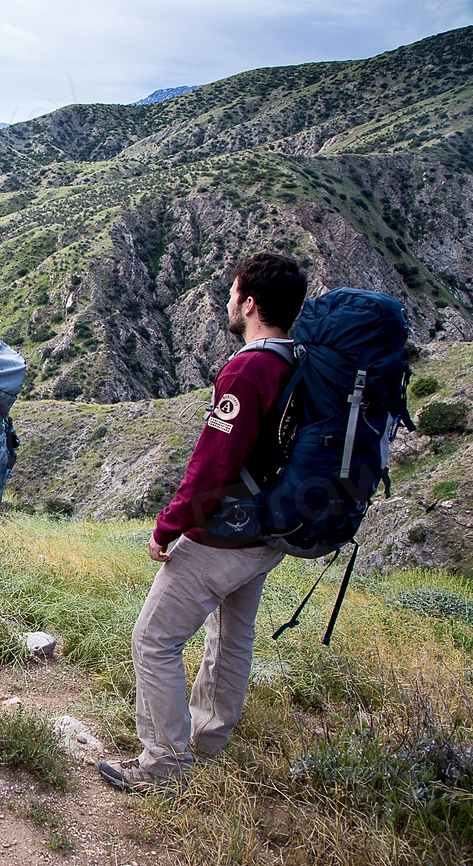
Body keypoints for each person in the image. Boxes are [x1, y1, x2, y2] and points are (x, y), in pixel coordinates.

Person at [98, 253, 308, 793]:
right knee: (232, 634)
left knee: (153, 639)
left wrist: (169, 526)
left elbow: (212, 465)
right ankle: (209, 742)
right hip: (270, 530)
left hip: (226, 533)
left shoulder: (248, 368)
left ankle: (164, 765)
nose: (228, 303)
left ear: (251, 304)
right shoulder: (299, 363)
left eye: (233, 293)